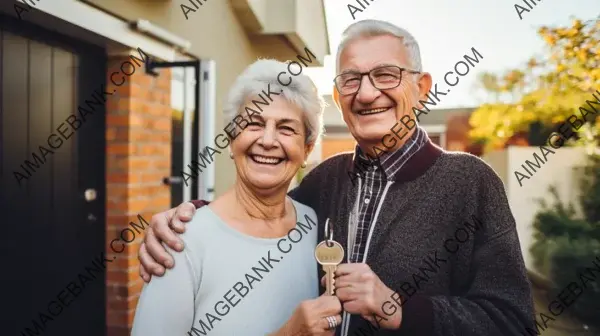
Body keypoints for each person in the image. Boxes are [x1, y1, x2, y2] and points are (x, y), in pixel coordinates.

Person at [138, 20, 535, 336]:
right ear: (339, 95)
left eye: (385, 75)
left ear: (423, 87)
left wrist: (397, 308)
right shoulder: (326, 181)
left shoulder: (470, 183)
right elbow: (265, 208)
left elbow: (513, 322)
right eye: (351, 79)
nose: (365, 94)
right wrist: (193, 217)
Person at [130, 59, 342, 336]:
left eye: (286, 128)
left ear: (307, 149)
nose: (267, 140)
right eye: (253, 123)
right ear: (231, 139)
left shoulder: (312, 222)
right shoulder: (181, 239)